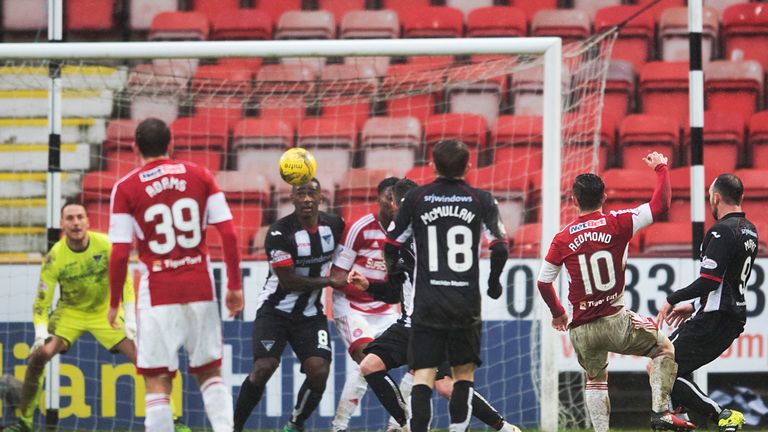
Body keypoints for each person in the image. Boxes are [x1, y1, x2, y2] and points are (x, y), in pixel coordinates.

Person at [535, 152, 695, 432]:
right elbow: (661, 205)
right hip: (614, 319)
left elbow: (543, 282)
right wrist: (661, 169)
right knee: (664, 348)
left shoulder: (562, 238)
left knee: (595, 378)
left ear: (574, 200)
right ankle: (660, 413)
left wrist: (559, 313)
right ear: (604, 197)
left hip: (581, 327)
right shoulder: (619, 222)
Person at [350, 178, 520, 432]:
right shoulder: (422, 234)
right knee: (370, 365)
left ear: (396, 204)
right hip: (410, 324)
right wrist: (369, 286)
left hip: (432, 323)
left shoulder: (409, 238)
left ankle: (504, 427)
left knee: (445, 386)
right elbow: (396, 289)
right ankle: (406, 424)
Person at [108, 118, 244, 432]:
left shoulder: (126, 187)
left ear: (134, 148)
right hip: (199, 285)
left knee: (157, 380)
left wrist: (114, 301)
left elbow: (119, 253)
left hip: (157, 291)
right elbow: (229, 233)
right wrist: (234, 286)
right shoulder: (201, 175)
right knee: (210, 373)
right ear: (171, 144)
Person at [383, 139, 509, 432]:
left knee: (423, 377)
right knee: (462, 378)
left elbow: (391, 245)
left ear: (432, 166)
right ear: (468, 166)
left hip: (428, 303)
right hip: (464, 302)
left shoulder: (415, 199)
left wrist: (393, 275)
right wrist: (493, 284)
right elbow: (500, 248)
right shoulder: (482, 199)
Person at [2, 203, 143, 432]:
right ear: (62, 224)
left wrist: (131, 318)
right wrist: (40, 333)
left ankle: (172, 419)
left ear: (88, 221)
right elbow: (41, 304)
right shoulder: (55, 257)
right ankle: (25, 422)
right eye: (70, 218)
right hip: (70, 313)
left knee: (145, 360)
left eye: (80, 217)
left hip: (104, 312)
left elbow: (125, 282)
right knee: (39, 357)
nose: (75, 222)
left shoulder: (106, 245)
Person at [233, 178, 347, 432]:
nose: (307, 199)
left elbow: (352, 250)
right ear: (292, 199)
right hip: (275, 311)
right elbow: (288, 281)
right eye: (301, 194)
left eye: (312, 194)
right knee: (264, 367)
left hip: (310, 313)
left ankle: (295, 423)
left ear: (321, 198)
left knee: (319, 370)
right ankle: (235, 427)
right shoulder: (279, 232)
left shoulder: (335, 225)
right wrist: (330, 280)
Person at [658, 174, 758, 432]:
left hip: (713, 319)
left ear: (715, 197)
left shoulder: (721, 231)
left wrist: (672, 298)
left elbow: (710, 281)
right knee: (672, 370)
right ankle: (679, 420)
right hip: (728, 318)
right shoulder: (750, 230)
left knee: (661, 365)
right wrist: (693, 306)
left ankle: (722, 415)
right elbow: (728, 281)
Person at [330, 177, 401, 432]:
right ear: (378, 198)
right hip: (352, 307)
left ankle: (398, 425)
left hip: (386, 309)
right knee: (368, 359)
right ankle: (339, 426)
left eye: (397, 196)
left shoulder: (405, 231)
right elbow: (336, 277)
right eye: (388, 196)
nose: (393, 201)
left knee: (421, 361)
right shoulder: (360, 228)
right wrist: (365, 286)